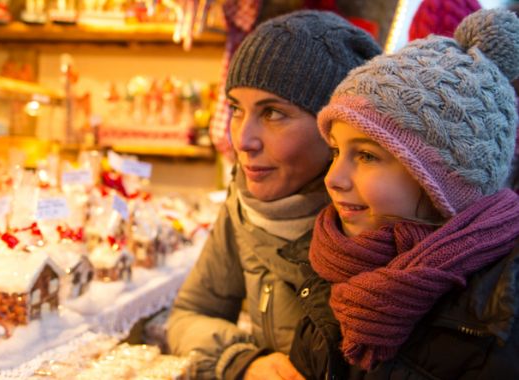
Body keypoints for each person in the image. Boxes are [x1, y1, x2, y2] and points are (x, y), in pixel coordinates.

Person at [289, 8, 519, 379]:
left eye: (366, 155)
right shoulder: (332, 261)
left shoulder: (500, 310)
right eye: (336, 151)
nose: (333, 178)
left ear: (442, 179)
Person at [166, 10, 381, 380]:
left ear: (336, 128)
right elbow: (188, 315)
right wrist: (241, 360)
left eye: (273, 113)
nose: (243, 140)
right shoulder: (243, 205)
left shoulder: (380, 219)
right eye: (236, 109)